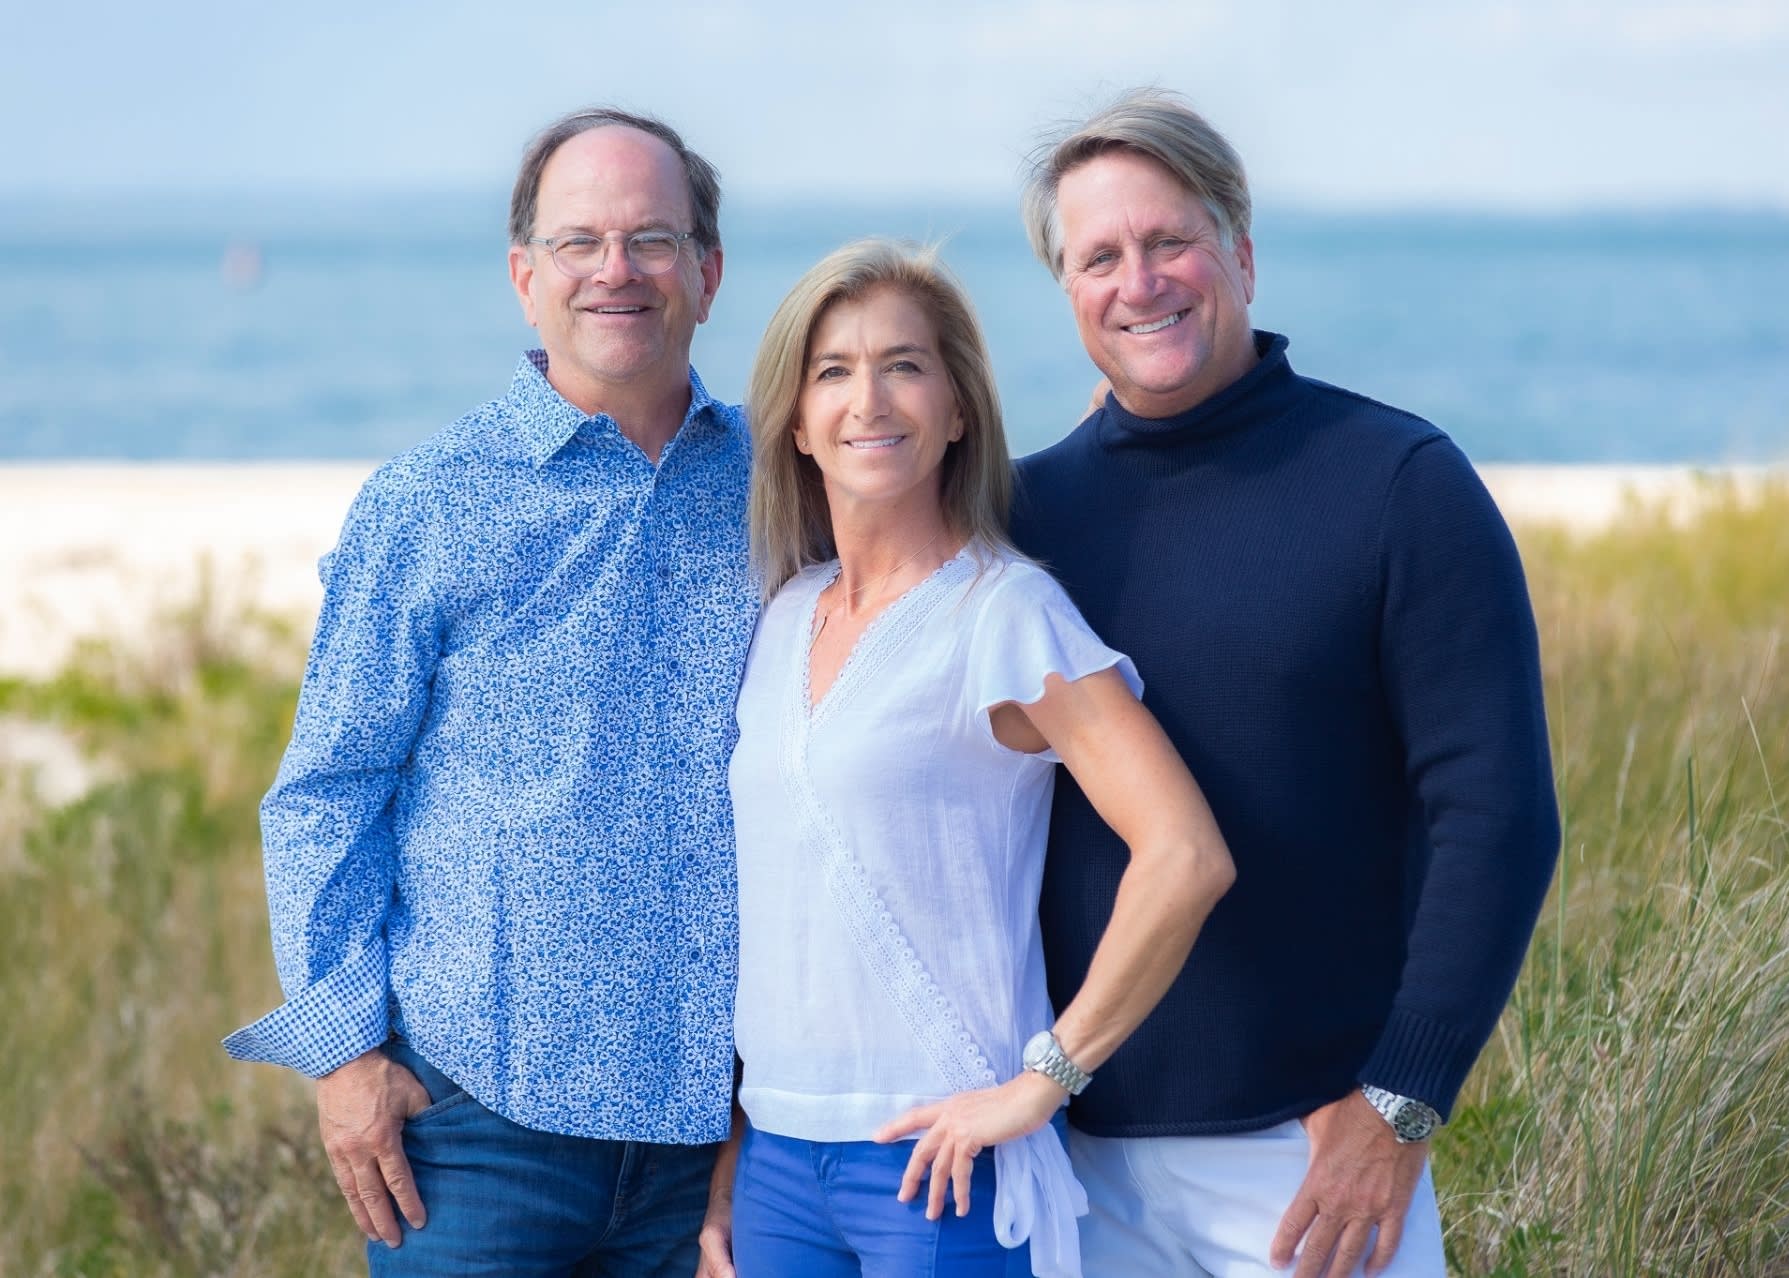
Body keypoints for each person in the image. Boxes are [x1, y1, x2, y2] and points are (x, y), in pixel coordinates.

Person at [1010, 89, 1562, 1278]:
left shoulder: (1397, 483)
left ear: (1240, 254)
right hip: (1068, 1159)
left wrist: (1403, 1100)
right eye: (1099, 256)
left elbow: (1498, 818)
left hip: (1312, 1165)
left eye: (1170, 242)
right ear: (1067, 290)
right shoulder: (1021, 514)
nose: (1138, 281)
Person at [222, 107, 757, 1275]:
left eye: (652, 239)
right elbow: (326, 791)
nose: (616, 270)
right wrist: (346, 1058)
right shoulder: (425, 504)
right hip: (473, 1136)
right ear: (526, 278)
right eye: (579, 242)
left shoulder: (789, 489)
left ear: (707, 274)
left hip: (719, 1142)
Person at [698, 239, 1235, 1278]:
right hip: (773, 1161)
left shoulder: (1005, 615)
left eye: (904, 364)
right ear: (798, 425)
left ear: (955, 410)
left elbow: (1184, 854)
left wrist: (1043, 1081)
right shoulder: (784, 614)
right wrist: (729, 1162)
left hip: (943, 1167)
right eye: (833, 371)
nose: (869, 399)